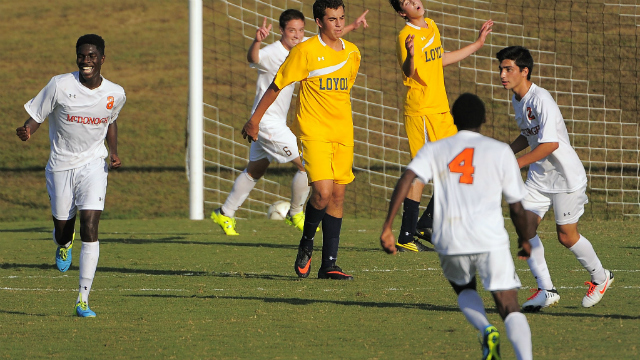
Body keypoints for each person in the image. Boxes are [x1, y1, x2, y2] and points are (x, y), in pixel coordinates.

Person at [380, 93, 534, 360]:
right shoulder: (500, 151)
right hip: (490, 238)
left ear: (452, 119)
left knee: (465, 289)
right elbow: (517, 208)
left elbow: (408, 178)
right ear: (485, 120)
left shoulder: (436, 148)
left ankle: (486, 329)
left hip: (450, 238)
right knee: (509, 304)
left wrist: (388, 226)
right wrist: (525, 239)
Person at [211, 8, 369, 236]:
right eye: (292, 30)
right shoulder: (272, 52)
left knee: (254, 170)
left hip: (278, 122)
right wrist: (256, 42)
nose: (297, 35)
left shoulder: (303, 48)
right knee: (309, 166)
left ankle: (225, 212)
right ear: (281, 31)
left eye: (301, 30)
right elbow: (253, 59)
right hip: (266, 123)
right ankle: (295, 212)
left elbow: (329, 36)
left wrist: (352, 26)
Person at [242, 0, 361, 280]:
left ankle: (329, 263)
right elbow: (276, 85)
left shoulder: (353, 52)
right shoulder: (305, 51)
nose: (339, 24)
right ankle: (306, 242)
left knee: (338, 196)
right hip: (313, 132)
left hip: (343, 133)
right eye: (332, 19)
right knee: (322, 192)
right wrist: (254, 120)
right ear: (319, 22)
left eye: (342, 18)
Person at [16, 34, 126, 317]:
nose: (85, 61)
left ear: (102, 59)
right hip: (61, 165)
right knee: (64, 229)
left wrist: (112, 152)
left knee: (91, 225)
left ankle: (83, 299)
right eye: (81, 55)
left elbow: (111, 121)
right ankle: (64, 244)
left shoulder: (116, 93)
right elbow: (38, 115)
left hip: (93, 165)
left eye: (91, 56)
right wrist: (27, 130)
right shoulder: (60, 85)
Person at [497, 45, 614, 310]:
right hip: (540, 177)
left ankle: (601, 277)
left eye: (508, 69)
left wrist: (516, 163)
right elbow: (530, 134)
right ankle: (546, 290)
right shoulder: (517, 99)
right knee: (525, 228)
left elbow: (550, 144)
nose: (502, 75)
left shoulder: (541, 99)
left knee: (566, 236)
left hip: (565, 177)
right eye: (501, 69)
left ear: (524, 71)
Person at [388, 0, 493, 252]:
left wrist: (477, 44)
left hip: (441, 109)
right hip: (421, 111)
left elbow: (441, 59)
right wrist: (411, 57)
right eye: (407, 2)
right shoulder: (406, 35)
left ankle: (427, 223)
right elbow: (409, 71)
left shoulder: (432, 26)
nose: (415, 2)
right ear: (403, 12)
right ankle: (406, 235)